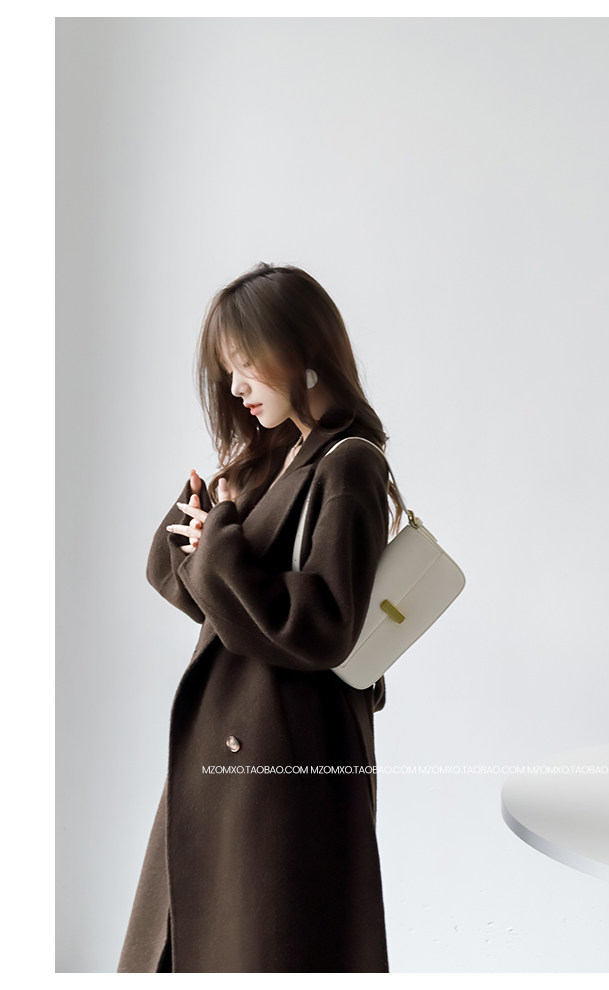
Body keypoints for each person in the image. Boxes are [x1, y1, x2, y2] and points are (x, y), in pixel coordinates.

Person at [117, 262, 402, 973]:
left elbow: (323, 623)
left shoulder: (349, 465)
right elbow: (212, 603)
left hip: (283, 757)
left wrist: (219, 545)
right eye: (229, 371)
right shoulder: (277, 456)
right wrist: (206, 523)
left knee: (264, 944)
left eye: (246, 364)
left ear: (302, 350)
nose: (237, 388)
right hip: (240, 748)